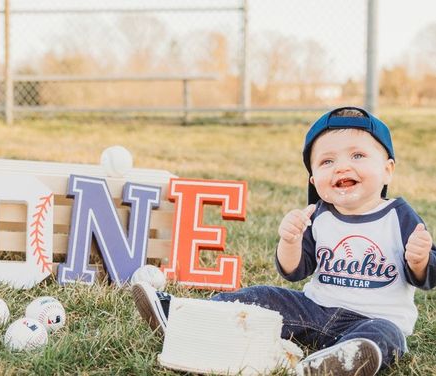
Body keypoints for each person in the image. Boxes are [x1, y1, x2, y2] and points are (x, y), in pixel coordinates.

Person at [131, 106, 436, 375]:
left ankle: (340, 361)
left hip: (373, 319)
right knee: (264, 295)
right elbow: (294, 271)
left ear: (387, 170)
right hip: (315, 309)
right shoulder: (318, 215)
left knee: (387, 336)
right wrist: (290, 241)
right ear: (314, 181)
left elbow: (428, 277)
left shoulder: (398, 214)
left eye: (358, 155)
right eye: (327, 161)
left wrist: (420, 261)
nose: (342, 166)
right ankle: (181, 315)